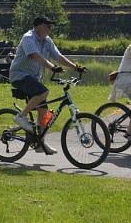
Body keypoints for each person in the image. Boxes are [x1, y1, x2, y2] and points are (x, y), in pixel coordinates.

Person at [9, 16, 85, 155]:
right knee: (43, 92)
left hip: (33, 79)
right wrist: (52, 68)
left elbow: (58, 56)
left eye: (51, 27)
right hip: (19, 76)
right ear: (38, 26)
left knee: (43, 111)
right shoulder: (28, 38)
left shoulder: (47, 41)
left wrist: (76, 68)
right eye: (48, 26)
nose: (50, 29)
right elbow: (36, 56)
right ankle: (21, 117)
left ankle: (39, 143)